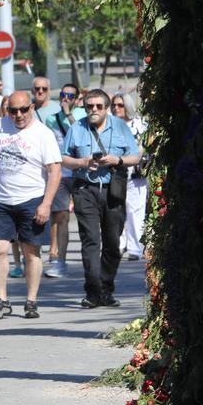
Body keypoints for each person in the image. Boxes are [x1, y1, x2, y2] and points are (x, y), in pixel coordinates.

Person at [61, 89, 143, 308]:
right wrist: (83, 162)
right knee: (90, 240)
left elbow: (135, 156)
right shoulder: (76, 128)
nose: (94, 110)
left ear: (106, 108)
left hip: (112, 189)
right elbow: (63, 158)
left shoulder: (120, 126)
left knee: (113, 243)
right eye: (89, 106)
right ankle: (93, 292)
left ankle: (106, 288)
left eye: (98, 106)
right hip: (85, 189)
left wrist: (117, 159)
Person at [0, 91, 61, 320]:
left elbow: (55, 171)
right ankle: (2, 300)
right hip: (1, 199)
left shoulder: (43, 134)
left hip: (32, 199)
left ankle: (30, 301)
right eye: (13, 110)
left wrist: (46, 204)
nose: (18, 115)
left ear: (32, 108)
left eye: (23, 110)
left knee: (31, 252)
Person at [44, 84, 85, 278]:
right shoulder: (52, 118)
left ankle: (90, 257)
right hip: (59, 173)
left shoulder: (82, 115)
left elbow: (80, 133)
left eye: (70, 95)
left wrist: (69, 113)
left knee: (86, 216)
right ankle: (61, 260)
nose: (65, 97)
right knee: (60, 217)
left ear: (77, 99)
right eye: (62, 94)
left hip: (79, 171)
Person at [113, 93, 148, 261]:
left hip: (136, 175)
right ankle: (119, 244)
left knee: (135, 212)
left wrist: (136, 155)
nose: (116, 108)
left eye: (120, 105)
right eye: (114, 105)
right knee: (116, 211)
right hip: (115, 174)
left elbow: (146, 145)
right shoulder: (109, 125)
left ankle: (135, 248)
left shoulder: (139, 124)